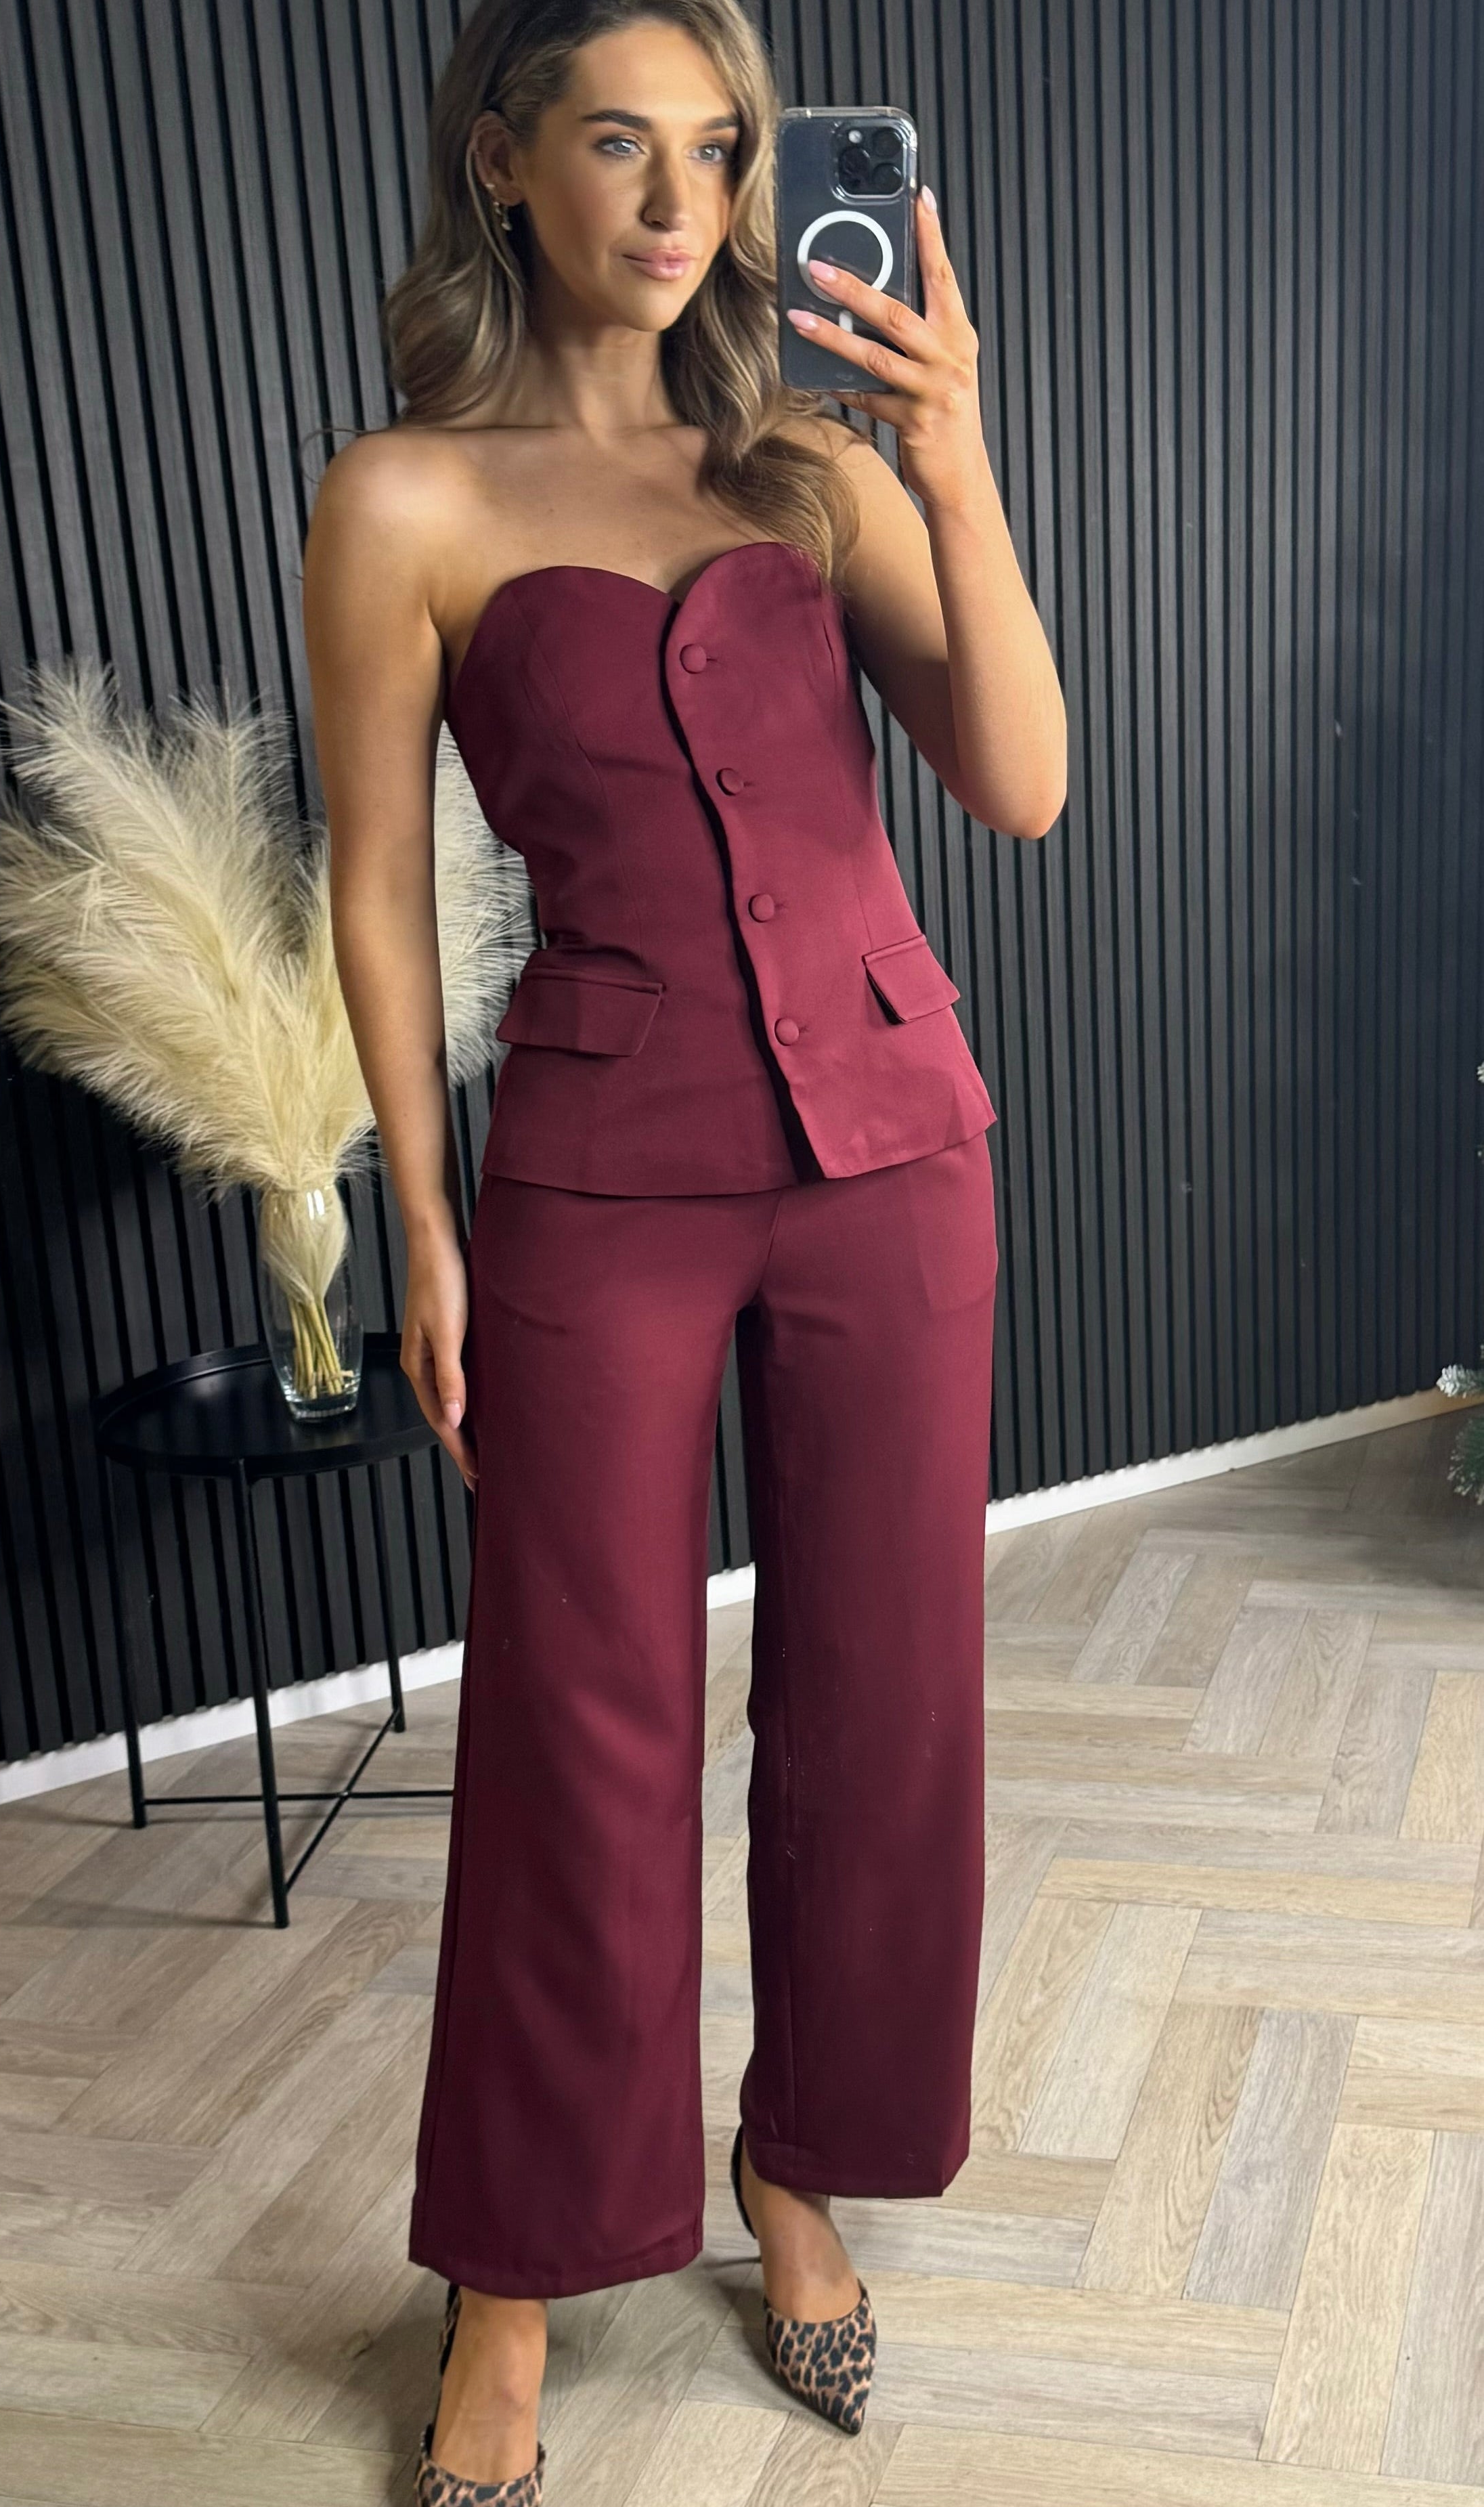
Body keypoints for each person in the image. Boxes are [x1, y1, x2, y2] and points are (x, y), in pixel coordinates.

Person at [303, 2, 1066, 2496]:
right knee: (579, 1725)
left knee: (884, 1701)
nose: (673, 201)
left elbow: (1022, 784)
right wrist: (420, 1220)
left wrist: (953, 457)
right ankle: (514, 2274)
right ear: (501, 162)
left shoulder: (807, 464)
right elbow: (382, 894)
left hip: (894, 1150)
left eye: (716, 151)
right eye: (617, 143)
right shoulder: (406, 497)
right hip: (598, 1171)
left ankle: (797, 2168)